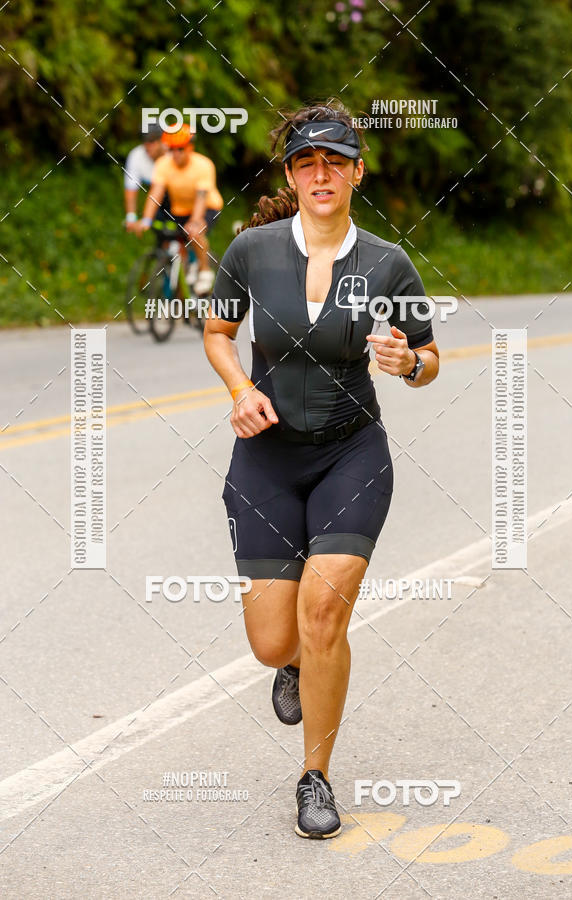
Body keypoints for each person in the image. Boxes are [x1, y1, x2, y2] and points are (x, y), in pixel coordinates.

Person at [204, 101, 440, 839]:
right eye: (308, 162)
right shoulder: (253, 251)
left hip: (351, 454)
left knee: (323, 616)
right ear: (292, 175)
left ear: (356, 172)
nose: (322, 173)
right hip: (266, 461)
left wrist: (409, 365)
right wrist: (241, 390)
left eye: (335, 160)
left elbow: (430, 356)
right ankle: (294, 665)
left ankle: (315, 779)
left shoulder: (387, 262)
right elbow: (217, 332)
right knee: (276, 643)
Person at [135, 123, 223, 294]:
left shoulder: (204, 165)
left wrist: (196, 221)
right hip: (179, 210)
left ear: (190, 147)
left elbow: (201, 197)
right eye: (172, 149)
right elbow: (156, 194)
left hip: (207, 207)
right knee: (173, 241)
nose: (175, 154)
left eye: (180, 149)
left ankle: (205, 271)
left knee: (195, 232)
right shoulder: (163, 164)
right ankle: (185, 274)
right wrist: (146, 220)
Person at [123, 124, 166, 231]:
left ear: (162, 141)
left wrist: (146, 219)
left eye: (152, 141)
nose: (148, 146)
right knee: (159, 228)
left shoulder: (171, 155)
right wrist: (131, 217)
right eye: (145, 141)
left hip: (180, 198)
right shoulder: (136, 155)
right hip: (157, 199)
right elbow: (131, 189)